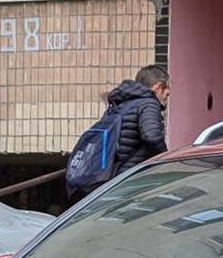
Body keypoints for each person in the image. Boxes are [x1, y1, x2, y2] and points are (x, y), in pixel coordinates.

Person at [67, 65, 170, 200]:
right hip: (128, 180)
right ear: (158, 87)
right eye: (166, 94)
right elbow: (151, 136)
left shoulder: (120, 104)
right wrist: (167, 159)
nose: (166, 101)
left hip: (109, 177)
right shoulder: (148, 103)